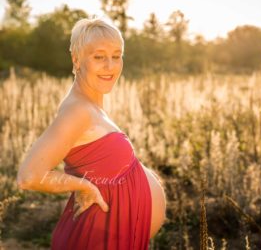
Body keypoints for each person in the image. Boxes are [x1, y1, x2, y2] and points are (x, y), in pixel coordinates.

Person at [17, 17, 167, 249]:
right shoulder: (77, 111)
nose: (110, 66)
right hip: (97, 237)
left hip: (113, 235)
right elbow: (29, 176)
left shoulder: (90, 105)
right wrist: (83, 186)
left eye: (116, 56)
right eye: (99, 57)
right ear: (76, 59)